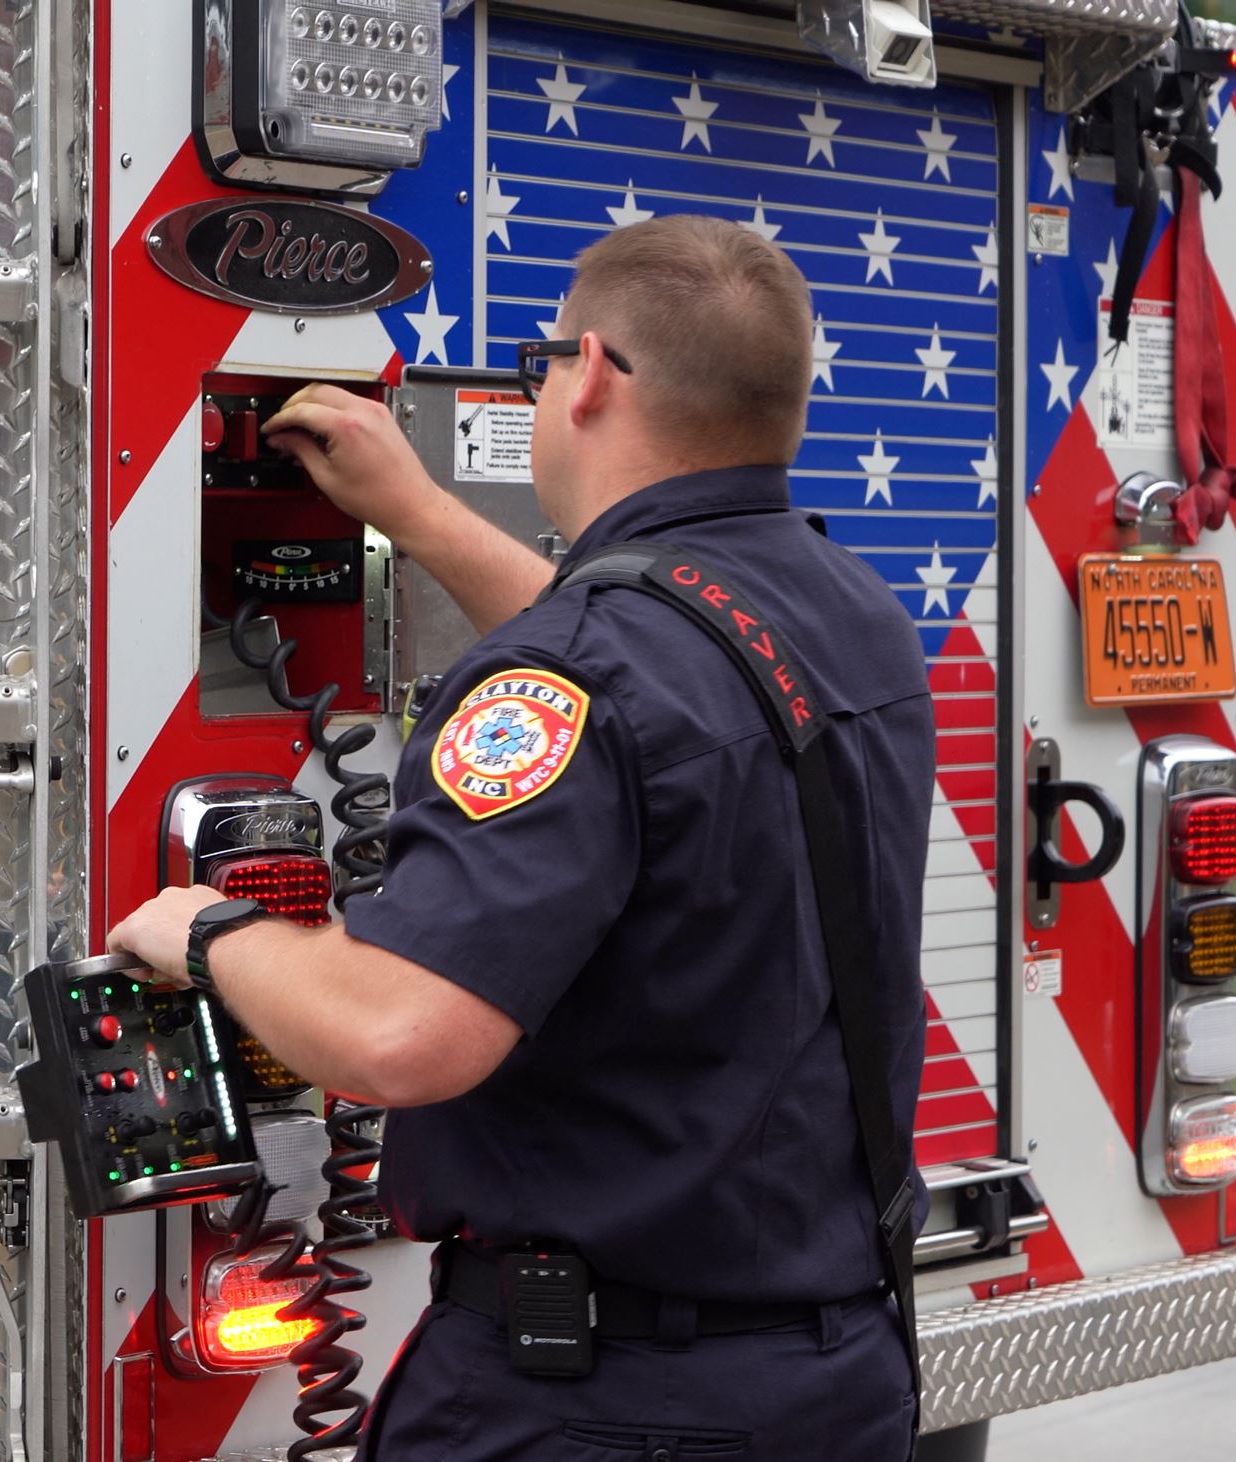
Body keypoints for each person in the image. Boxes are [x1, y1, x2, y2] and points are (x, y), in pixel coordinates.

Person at [107, 213, 936, 1461]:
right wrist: (418, 515)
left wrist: (206, 932)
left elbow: (402, 1032)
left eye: (538, 360)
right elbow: (665, 661)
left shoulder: (573, 675)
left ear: (589, 370)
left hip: (593, 1406)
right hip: (834, 1383)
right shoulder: (844, 608)